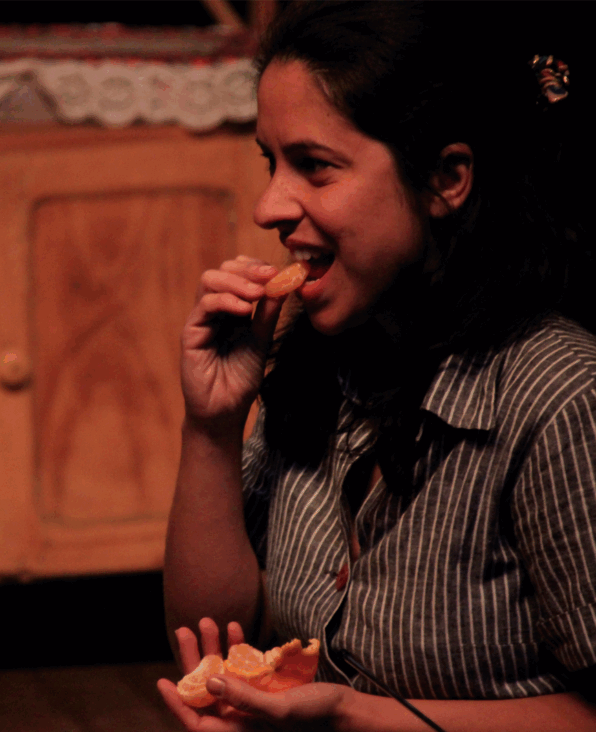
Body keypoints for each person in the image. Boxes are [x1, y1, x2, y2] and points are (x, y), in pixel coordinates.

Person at [159, 2, 596, 730]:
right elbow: (217, 642)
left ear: (446, 178)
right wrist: (211, 426)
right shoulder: (329, 355)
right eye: (271, 163)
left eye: (315, 167)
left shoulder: (559, 398)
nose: (269, 205)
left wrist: (355, 716)